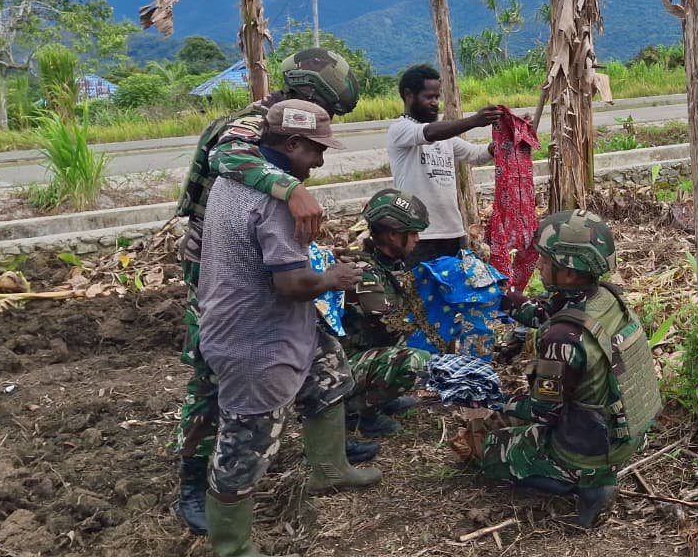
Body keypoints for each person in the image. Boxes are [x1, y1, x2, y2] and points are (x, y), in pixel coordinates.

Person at [173, 49, 372, 536]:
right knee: (215, 382)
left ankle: (330, 460)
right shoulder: (254, 125)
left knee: (319, 352)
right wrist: (291, 189)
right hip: (219, 269)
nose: (322, 154)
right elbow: (227, 156)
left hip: (259, 255)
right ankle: (195, 484)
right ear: (305, 100)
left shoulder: (281, 136)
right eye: (318, 140)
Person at [479, 210, 663, 527]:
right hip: (622, 431)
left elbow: (543, 412)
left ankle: (587, 484)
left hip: (588, 451)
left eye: (546, 261)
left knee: (490, 451)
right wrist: (504, 298)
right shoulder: (603, 297)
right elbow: (548, 313)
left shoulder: (562, 339)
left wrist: (494, 401)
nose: (538, 265)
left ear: (568, 274)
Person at [338, 189, 435, 437]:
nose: (417, 240)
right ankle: (359, 412)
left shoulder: (389, 263)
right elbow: (390, 321)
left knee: (409, 344)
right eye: (412, 233)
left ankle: (379, 399)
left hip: (364, 353)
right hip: (341, 365)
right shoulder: (363, 270)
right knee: (416, 361)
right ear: (393, 234)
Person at [387, 64, 500, 266]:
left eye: (437, 97)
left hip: (453, 232)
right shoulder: (401, 129)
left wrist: (504, 139)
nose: (434, 103)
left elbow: (475, 155)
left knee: (457, 294)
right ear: (408, 95)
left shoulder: (445, 137)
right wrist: (474, 120)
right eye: (428, 97)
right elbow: (430, 133)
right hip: (420, 236)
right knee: (423, 296)